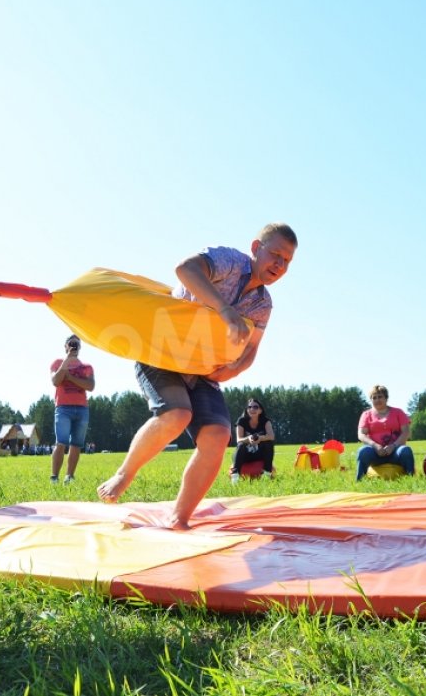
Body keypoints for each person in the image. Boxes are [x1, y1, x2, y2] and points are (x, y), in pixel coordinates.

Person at [97, 223, 297, 528]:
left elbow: (252, 349)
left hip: (203, 368)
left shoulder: (262, 304)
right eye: (276, 255)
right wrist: (225, 310)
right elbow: (185, 269)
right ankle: (125, 473)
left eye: (287, 262)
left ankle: (179, 517)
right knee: (177, 415)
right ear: (256, 248)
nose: (279, 266)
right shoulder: (230, 261)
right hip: (162, 352)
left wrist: (234, 369)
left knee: (218, 436)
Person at [49, 335, 95, 484]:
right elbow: (56, 381)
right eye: (71, 344)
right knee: (60, 442)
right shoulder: (57, 363)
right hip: (63, 408)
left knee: (76, 444)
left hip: (82, 409)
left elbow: (91, 386)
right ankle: (54, 477)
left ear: (80, 348)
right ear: (65, 346)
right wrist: (67, 360)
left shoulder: (87, 367)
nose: (74, 346)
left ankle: (69, 476)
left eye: (76, 344)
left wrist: (69, 377)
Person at [356, 384, 414, 480]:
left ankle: (411, 478)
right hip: (374, 452)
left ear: (386, 398)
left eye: (380, 397)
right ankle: (359, 480)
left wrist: (393, 446)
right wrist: (375, 445)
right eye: (374, 398)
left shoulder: (398, 412)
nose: (377, 400)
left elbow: (406, 432)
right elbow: (361, 434)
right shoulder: (366, 415)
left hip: (395, 451)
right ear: (371, 400)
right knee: (363, 451)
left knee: (405, 451)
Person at [229, 398, 276, 482]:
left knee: (269, 443)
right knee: (241, 445)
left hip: (259, 454)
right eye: (249, 407)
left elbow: (271, 436)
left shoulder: (266, 421)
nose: (252, 409)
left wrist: (260, 438)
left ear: (260, 410)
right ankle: (235, 477)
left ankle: (267, 474)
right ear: (247, 410)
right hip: (245, 455)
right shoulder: (241, 421)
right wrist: (248, 439)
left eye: (255, 407)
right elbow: (239, 439)